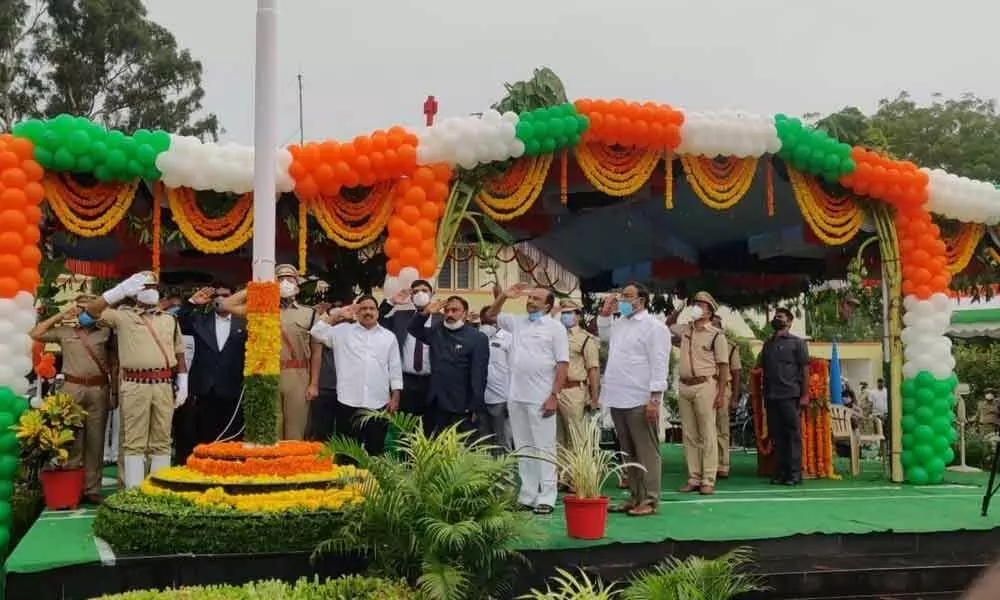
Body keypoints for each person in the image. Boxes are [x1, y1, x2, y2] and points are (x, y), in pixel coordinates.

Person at [85, 271, 188, 488]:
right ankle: (133, 491)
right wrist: (119, 291)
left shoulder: (170, 319)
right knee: (134, 442)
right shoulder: (122, 316)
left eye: (153, 287)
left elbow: (179, 352)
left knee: (162, 440)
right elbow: (91, 312)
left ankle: (159, 490)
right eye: (144, 287)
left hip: (163, 384)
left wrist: (183, 381)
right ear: (135, 292)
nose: (150, 291)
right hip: (135, 384)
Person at [486, 283, 568, 515]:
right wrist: (503, 295)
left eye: (537, 299)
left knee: (544, 447)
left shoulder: (555, 328)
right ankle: (528, 494)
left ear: (548, 305)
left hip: (541, 396)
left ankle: (547, 496)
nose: (531, 301)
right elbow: (491, 315)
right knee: (523, 447)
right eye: (530, 297)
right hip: (516, 395)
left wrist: (554, 395)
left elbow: (562, 364)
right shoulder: (517, 322)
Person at [30, 294, 111, 504]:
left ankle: (92, 488)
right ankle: (72, 485)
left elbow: (116, 361)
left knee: (96, 439)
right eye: (81, 308)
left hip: (98, 387)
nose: (85, 313)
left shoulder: (105, 331)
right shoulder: (66, 331)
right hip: (72, 386)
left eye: (89, 309)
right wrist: (62, 314)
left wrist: (115, 393)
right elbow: (36, 333)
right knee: (72, 437)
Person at [598, 283, 670, 516]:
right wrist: (606, 313)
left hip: (640, 397)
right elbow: (604, 335)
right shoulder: (620, 324)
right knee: (628, 451)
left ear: (642, 300)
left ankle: (650, 499)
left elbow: (660, 364)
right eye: (621, 296)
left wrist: (655, 399)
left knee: (646, 450)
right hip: (619, 396)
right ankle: (635, 496)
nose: (623, 300)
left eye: (628, 296)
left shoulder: (654, 327)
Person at [223, 266, 315, 440]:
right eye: (280, 279)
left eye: (290, 278)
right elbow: (227, 305)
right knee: (271, 430)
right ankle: (274, 467)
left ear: (298, 285)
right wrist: (259, 287)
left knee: (296, 430)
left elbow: (316, 351)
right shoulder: (261, 309)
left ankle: (294, 466)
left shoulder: (309, 313)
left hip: (298, 374)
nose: (286, 282)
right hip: (268, 375)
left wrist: (314, 383)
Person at [309, 295, 402, 456]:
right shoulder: (341, 332)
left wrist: (395, 396)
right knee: (348, 453)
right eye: (363, 308)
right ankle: (348, 481)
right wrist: (337, 315)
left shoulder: (388, 337)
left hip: (378, 402)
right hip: (348, 402)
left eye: (371, 308)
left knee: (376, 451)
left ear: (378, 312)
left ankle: (374, 481)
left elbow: (395, 368)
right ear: (357, 312)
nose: (368, 312)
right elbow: (316, 332)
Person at [173, 285, 247, 463]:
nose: (222, 299)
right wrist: (192, 303)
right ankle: (205, 468)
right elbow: (179, 322)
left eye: (226, 295)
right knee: (205, 434)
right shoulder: (201, 320)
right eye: (218, 296)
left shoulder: (244, 322)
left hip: (232, 387)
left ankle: (230, 470)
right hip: (204, 388)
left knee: (231, 437)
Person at [668, 291, 729, 495]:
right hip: (685, 385)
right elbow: (668, 326)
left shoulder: (716, 335)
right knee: (689, 434)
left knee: (708, 432)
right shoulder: (686, 330)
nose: (697, 307)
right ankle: (694, 477)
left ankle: (708, 478)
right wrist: (680, 307)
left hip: (706, 385)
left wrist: (720, 393)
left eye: (702, 305)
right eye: (696, 304)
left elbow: (723, 367)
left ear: (710, 311)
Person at [406, 296, 489, 436]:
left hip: (461, 405)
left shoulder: (477, 338)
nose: (449, 314)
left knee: (459, 449)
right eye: (447, 310)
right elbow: (413, 329)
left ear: (464, 313)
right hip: (435, 402)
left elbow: (479, 374)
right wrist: (426, 312)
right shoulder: (437, 331)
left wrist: (475, 405)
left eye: (455, 310)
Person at [758, 307, 810, 486]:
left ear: (789, 322)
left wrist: (805, 395)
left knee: (792, 435)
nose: (776, 319)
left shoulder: (797, 343)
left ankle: (795, 474)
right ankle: (780, 472)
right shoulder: (768, 344)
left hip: (790, 395)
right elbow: (761, 368)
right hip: (771, 396)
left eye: (780, 317)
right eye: (775, 316)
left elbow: (805, 369)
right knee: (777, 436)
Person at [379, 280, 437, 434]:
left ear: (432, 294)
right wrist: (391, 302)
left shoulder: (442, 320)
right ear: (411, 297)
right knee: (405, 429)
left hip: (433, 381)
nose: (420, 294)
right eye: (415, 291)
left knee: (430, 429)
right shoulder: (400, 316)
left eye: (424, 290)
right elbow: (377, 321)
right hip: (406, 381)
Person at [556, 299, 600, 491]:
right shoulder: (555, 334)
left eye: (570, 312)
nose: (566, 316)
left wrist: (595, 397)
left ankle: (578, 477)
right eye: (563, 312)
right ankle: (562, 476)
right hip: (554, 390)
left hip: (575, 389)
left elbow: (593, 370)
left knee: (577, 436)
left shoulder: (585, 339)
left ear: (578, 315)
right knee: (558, 437)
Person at [306, 299, 347, 442]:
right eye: (336, 316)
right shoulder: (322, 332)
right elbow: (316, 356)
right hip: (325, 387)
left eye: (341, 316)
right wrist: (314, 384)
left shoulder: (351, 332)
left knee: (344, 435)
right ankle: (321, 462)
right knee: (322, 433)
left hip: (346, 391)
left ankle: (342, 463)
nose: (339, 319)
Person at [711, 313, 742, 479]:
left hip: (724, 386)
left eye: (716, 324)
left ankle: (723, 464)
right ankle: (709, 463)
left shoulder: (730, 347)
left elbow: (736, 373)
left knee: (722, 427)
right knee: (706, 428)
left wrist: (735, 398)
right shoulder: (700, 341)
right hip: (705, 386)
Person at [478, 306, 513, 452]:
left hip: (501, 398)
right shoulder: (476, 337)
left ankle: (506, 472)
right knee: (483, 439)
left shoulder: (509, 338)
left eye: (491, 320)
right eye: (485, 320)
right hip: (480, 398)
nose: (488, 323)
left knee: (502, 439)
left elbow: (515, 369)